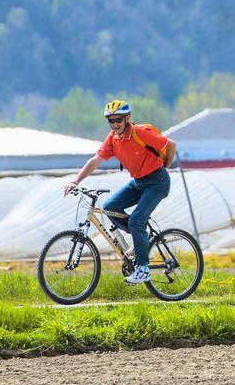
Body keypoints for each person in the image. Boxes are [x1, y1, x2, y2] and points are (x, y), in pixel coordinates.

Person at [63, 100, 175, 285]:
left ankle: (143, 269)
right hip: (139, 182)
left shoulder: (139, 133)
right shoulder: (113, 138)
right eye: (111, 121)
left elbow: (170, 144)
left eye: (118, 120)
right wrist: (75, 180)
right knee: (109, 207)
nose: (115, 124)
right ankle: (142, 241)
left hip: (157, 182)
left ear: (127, 118)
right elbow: (96, 159)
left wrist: (165, 167)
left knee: (136, 220)